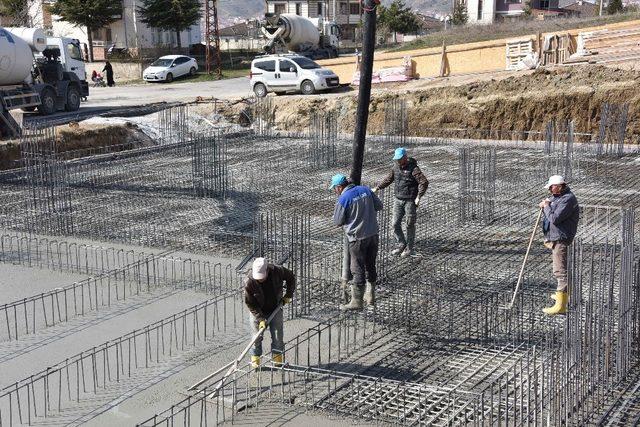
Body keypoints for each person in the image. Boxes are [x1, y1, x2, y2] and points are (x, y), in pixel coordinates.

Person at [331, 173, 383, 310]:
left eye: (334, 189)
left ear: (339, 187)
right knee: (370, 265)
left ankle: (357, 301)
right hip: (373, 234)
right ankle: (370, 296)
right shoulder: (365, 190)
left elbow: (337, 221)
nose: (335, 191)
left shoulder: (344, 199)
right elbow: (379, 206)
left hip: (357, 238)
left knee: (357, 268)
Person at [372, 147, 429, 257]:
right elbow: (389, 179)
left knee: (409, 224)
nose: (397, 161)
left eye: (399, 159)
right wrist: (378, 187)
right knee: (395, 224)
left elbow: (424, 182)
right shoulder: (396, 167)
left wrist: (418, 197)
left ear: (405, 157)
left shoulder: (414, 169)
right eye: (396, 159)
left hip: (410, 201)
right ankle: (402, 243)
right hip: (398, 200)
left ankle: (409, 249)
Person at [244, 258, 296, 368]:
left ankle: (277, 362)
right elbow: (250, 303)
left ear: (267, 270)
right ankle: (255, 362)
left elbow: (291, 277)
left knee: (277, 336)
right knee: (256, 338)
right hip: (257, 311)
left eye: (262, 277)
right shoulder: (249, 281)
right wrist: (260, 318)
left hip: (275, 308)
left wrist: (288, 294)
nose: (260, 280)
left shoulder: (278, 271)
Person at [540, 175, 579, 315]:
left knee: (559, 271)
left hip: (561, 238)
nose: (550, 190)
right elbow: (552, 202)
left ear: (560, 185)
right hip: (557, 237)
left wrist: (546, 207)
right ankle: (562, 295)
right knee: (559, 268)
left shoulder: (568, 199)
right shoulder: (561, 196)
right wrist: (547, 203)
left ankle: (561, 305)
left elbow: (554, 218)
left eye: (552, 187)